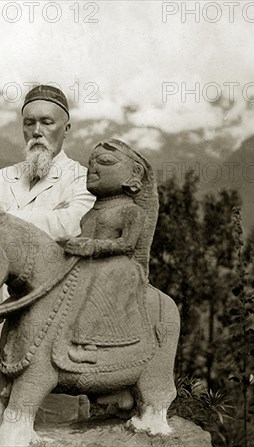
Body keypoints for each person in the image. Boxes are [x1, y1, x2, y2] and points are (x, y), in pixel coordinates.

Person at [0, 84, 95, 432]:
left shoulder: (82, 180)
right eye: (29, 123)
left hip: (54, 324)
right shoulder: (2, 179)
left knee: (56, 426)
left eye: (47, 122)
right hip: (1, 315)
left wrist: (3, 225)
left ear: (65, 128)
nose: (37, 131)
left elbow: (72, 225)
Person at [64, 138, 159, 364]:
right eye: (90, 162)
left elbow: (127, 244)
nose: (92, 168)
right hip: (88, 263)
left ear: (133, 174)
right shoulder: (90, 213)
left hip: (118, 267)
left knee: (103, 277)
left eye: (105, 161)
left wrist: (94, 246)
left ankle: (87, 342)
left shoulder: (130, 211)